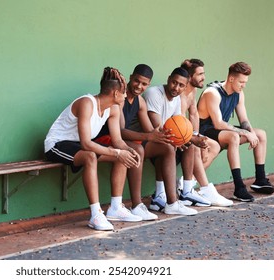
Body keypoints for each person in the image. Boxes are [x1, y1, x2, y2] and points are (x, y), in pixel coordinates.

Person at [44, 67, 143, 231]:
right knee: (90, 156)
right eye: (124, 93)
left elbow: (118, 141)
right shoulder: (86, 103)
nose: (126, 96)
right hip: (57, 145)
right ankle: (96, 214)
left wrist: (128, 151)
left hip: (77, 145)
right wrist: (117, 152)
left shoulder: (113, 109)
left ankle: (116, 207)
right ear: (115, 94)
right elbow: (86, 144)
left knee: (122, 156)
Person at [94, 64, 197, 217]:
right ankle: (136, 205)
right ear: (130, 78)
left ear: (148, 84)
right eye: (136, 81)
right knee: (138, 149)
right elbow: (120, 132)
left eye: (144, 84)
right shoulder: (119, 98)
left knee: (167, 148)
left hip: (128, 141)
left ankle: (172, 203)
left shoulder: (140, 102)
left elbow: (150, 130)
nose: (139, 86)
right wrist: (149, 137)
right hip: (106, 138)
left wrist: (170, 139)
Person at [197, 62, 274, 202]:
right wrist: (245, 133)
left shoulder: (239, 93)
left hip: (223, 130)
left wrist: (251, 133)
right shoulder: (212, 93)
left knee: (260, 134)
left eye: (245, 82)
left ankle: (260, 180)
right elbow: (218, 123)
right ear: (231, 79)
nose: (243, 85)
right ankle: (239, 188)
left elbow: (244, 120)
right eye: (241, 82)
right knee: (234, 137)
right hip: (205, 131)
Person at [143, 67, 211, 209]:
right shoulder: (153, 93)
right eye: (174, 83)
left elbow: (180, 125)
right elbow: (159, 129)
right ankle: (160, 195)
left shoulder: (177, 99)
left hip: (163, 138)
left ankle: (186, 191)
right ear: (168, 79)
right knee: (169, 146)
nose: (176, 87)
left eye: (181, 85)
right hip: (147, 139)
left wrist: (191, 138)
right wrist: (191, 138)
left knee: (188, 144)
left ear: (185, 86)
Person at [180, 59, 233, 207]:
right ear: (190, 77)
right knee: (196, 148)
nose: (204, 77)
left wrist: (197, 135)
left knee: (213, 146)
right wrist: (194, 140)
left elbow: (194, 114)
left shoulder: (193, 90)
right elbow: (177, 121)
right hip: (176, 135)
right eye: (200, 74)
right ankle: (204, 188)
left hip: (188, 133)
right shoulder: (181, 93)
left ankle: (186, 184)